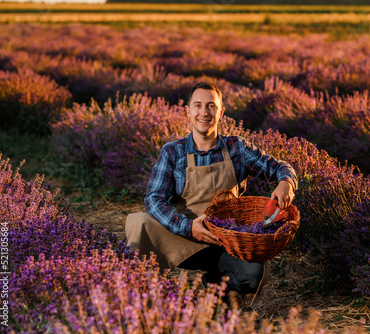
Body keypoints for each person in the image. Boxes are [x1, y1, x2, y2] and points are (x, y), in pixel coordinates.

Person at [125, 82, 297, 303]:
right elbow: (154, 199)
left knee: (253, 277)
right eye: (198, 105)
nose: (204, 112)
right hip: (187, 238)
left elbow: (280, 167)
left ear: (221, 112)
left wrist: (286, 183)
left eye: (211, 106)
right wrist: (187, 227)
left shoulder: (237, 149)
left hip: (229, 240)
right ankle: (140, 296)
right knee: (141, 223)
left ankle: (217, 283)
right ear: (188, 111)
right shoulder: (172, 152)